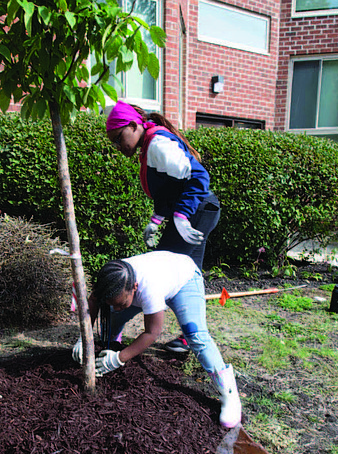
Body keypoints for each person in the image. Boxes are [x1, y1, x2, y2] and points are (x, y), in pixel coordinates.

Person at [72, 251, 241, 428]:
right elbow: (92, 303)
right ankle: (113, 344)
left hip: (184, 279)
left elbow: (153, 332)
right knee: (115, 316)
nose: (116, 306)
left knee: (195, 334)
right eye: (112, 302)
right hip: (156, 278)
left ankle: (229, 394)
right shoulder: (111, 278)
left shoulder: (149, 288)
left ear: (134, 287)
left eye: (121, 302)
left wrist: (119, 358)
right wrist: (82, 338)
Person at [106, 100, 221, 353]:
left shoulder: (157, 143)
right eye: (113, 142)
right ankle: (189, 336)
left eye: (118, 137)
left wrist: (181, 216)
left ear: (134, 126)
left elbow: (199, 176)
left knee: (161, 271)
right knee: (191, 274)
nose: (118, 146)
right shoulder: (149, 145)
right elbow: (169, 189)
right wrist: (156, 220)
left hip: (198, 211)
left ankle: (114, 327)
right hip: (199, 211)